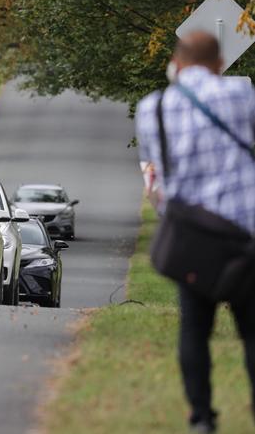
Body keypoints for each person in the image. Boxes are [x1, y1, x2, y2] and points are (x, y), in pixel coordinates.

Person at [136, 31, 255, 433]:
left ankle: (202, 417)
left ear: (177, 63)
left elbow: (160, 176)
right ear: (220, 64)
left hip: (193, 237)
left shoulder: (153, 109)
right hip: (244, 233)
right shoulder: (243, 98)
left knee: (194, 327)